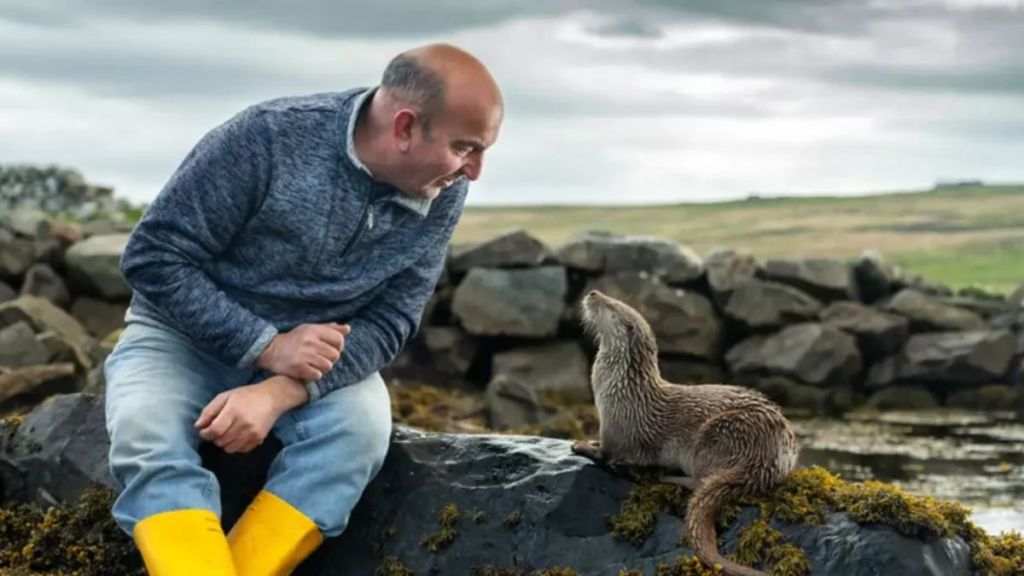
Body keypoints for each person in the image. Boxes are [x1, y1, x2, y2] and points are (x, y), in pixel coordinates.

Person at [103, 43, 503, 576]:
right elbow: (153, 258)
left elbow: (392, 322)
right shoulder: (266, 137)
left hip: (317, 360)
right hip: (180, 339)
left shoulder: (442, 189)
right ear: (405, 127)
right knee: (145, 434)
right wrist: (266, 347)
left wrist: (280, 390)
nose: (473, 171)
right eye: (465, 148)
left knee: (358, 435)